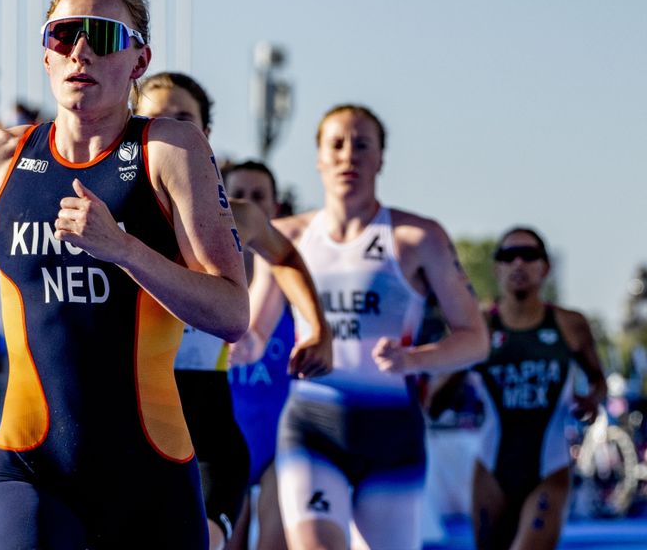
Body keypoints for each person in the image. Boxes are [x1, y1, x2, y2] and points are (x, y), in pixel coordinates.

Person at [0, 0, 250, 549]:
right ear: (46, 54)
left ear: (139, 59)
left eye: (102, 35)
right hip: (29, 465)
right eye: (65, 34)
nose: (81, 51)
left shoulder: (170, 150)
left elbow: (230, 311)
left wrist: (123, 249)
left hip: (151, 471)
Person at [272, 103, 488, 550]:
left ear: (381, 158)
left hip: (391, 430)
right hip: (313, 423)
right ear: (317, 157)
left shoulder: (418, 237)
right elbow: (249, 331)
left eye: (362, 144)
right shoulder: (288, 237)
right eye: (336, 144)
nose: (348, 155)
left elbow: (475, 340)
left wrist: (413, 359)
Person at [133, 73, 331, 549]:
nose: (168, 130)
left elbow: (285, 257)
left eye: (182, 119)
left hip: (209, 436)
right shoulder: (108, 211)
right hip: (128, 427)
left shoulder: (238, 217)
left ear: (205, 134)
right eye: (153, 118)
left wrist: (317, 328)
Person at [436, 227, 606, 550]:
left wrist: (592, 399)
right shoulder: (480, 326)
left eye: (529, 256)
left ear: (545, 267)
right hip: (491, 469)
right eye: (507, 256)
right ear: (496, 268)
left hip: (549, 467)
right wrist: (461, 358)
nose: (518, 264)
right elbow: (434, 403)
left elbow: (598, 379)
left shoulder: (570, 325)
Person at [224, 160, 312, 550]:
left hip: (282, 446)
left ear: (275, 209)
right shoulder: (199, 286)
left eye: (259, 197)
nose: (247, 205)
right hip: (223, 443)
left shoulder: (294, 287)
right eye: (237, 195)